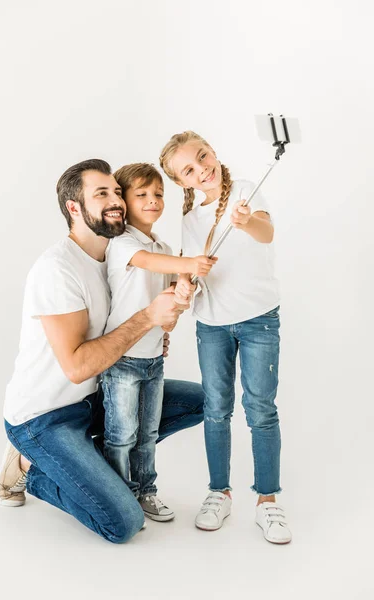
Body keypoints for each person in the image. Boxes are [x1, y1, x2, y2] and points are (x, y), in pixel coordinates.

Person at [0, 158, 204, 543]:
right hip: (44, 418)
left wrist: (169, 312)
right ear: (74, 208)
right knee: (122, 523)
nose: (117, 201)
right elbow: (76, 367)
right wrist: (146, 318)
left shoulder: (116, 252)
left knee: (202, 401)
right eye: (101, 194)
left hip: (98, 398)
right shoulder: (57, 269)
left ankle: (91, 463)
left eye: (116, 192)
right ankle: (32, 464)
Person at [159, 131, 292, 544]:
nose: (203, 169)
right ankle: (219, 492)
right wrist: (186, 283)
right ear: (183, 182)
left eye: (204, 157)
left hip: (258, 322)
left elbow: (267, 232)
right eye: (190, 170)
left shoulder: (247, 191)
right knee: (217, 408)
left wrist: (245, 220)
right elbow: (190, 270)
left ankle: (267, 500)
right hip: (211, 325)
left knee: (260, 409)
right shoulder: (189, 219)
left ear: (213, 151)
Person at [102, 163, 216, 522]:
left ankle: (146, 491)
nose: (152, 201)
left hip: (152, 360)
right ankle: (121, 494)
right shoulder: (122, 244)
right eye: (142, 195)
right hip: (121, 361)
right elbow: (150, 263)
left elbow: (173, 297)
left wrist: (186, 285)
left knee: (147, 433)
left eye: (158, 195)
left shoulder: (163, 246)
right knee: (122, 435)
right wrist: (188, 264)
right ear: (125, 201)